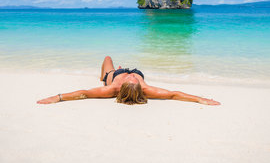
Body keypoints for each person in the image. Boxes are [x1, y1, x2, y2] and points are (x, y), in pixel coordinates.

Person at [37, 56, 221, 106]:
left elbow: (84, 93)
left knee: (107, 59)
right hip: (119, 77)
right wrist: (200, 99)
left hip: (113, 77)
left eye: (132, 78)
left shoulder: (113, 88)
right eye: (134, 79)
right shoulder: (146, 88)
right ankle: (105, 77)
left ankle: (104, 77)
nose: (132, 76)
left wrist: (58, 97)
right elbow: (173, 94)